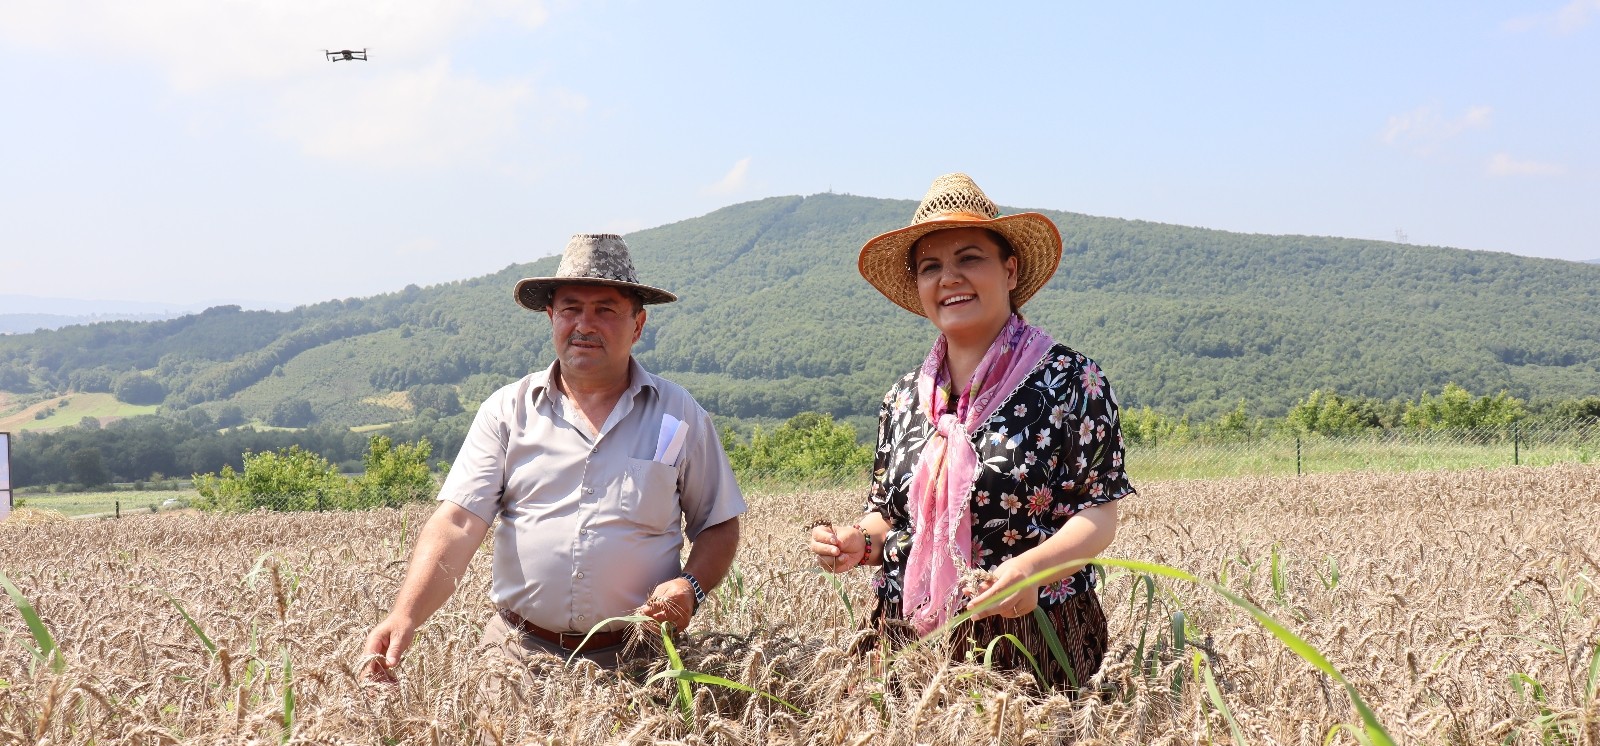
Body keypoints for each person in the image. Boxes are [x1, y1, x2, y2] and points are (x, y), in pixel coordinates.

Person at [364, 233, 745, 679]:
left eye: (605, 309)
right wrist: (404, 615)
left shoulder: (680, 417)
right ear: (551, 317)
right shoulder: (508, 412)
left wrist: (691, 586)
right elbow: (458, 522)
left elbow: (718, 523)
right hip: (517, 657)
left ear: (637, 325)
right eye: (571, 309)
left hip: (641, 662)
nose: (585, 324)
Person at [809, 173, 1134, 689]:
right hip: (906, 641)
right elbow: (888, 516)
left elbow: (1098, 515)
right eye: (931, 267)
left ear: (1010, 270)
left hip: (1031, 637)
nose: (949, 278)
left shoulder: (1073, 381)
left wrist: (1031, 571)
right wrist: (856, 542)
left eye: (969, 259)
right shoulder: (902, 400)